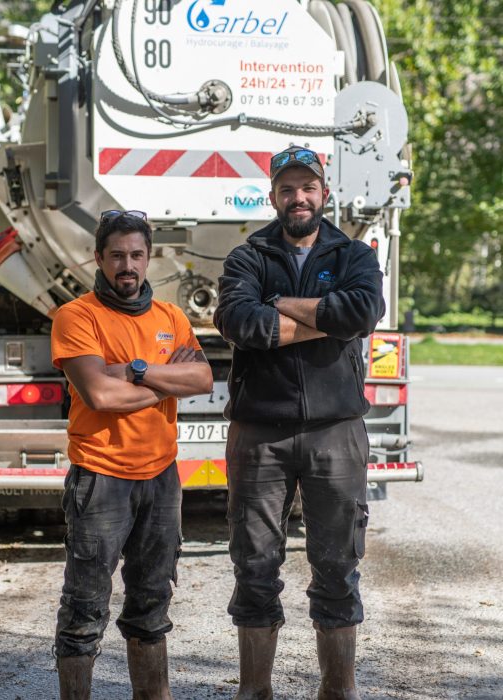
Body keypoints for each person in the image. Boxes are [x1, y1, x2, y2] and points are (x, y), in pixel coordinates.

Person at [213, 146, 385, 700]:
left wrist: (283, 304)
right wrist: (326, 318)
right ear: (273, 197)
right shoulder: (248, 256)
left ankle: (339, 691)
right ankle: (254, 691)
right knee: (254, 564)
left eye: (307, 187)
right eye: (287, 189)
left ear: (324, 194)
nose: (299, 197)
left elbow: (363, 311)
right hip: (258, 433)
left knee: (337, 565)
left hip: (336, 432)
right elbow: (241, 323)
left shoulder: (353, 252)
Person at [52, 210, 213, 700]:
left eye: (136, 255)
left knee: (152, 601)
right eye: (117, 255)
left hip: (161, 479)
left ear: (149, 258)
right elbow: (100, 396)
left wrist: (135, 371)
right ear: (98, 258)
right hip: (101, 478)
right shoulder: (77, 316)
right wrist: (165, 380)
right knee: (85, 608)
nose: (128, 265)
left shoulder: (171, 317)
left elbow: (203, 380)